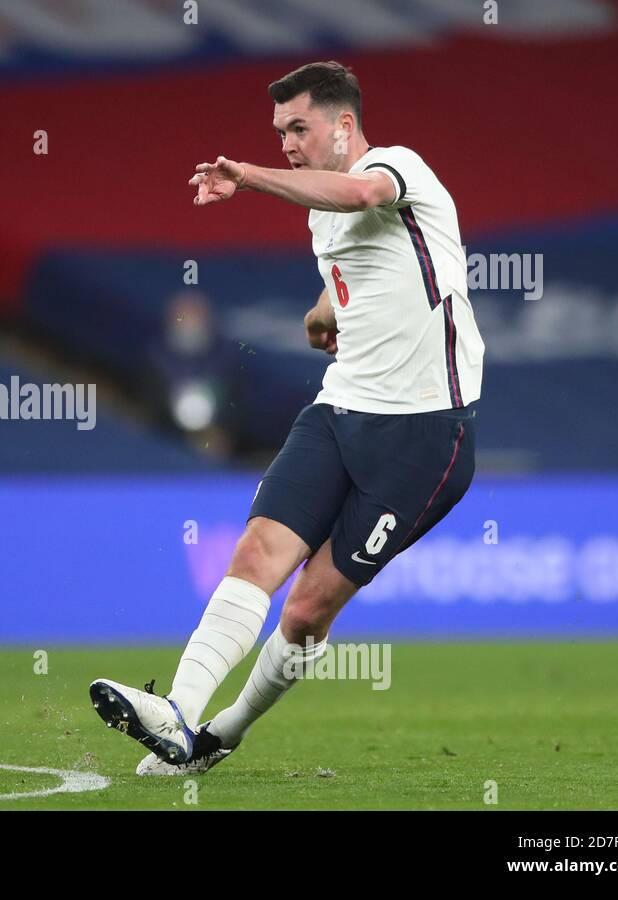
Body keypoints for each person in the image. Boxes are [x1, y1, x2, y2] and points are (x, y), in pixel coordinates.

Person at [90, 61, 484, 775]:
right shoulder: (320, 217)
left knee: (305, 612)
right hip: (339, 409)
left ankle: (222, 733)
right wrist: (322, 312)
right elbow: (358, 277)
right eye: (278, 133)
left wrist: (245, 174)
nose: (288, 144)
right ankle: (176, 715)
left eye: (298, 128)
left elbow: (364, 194)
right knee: (255, 554)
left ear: (344, 125)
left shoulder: (397, 167)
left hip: (424, 434)